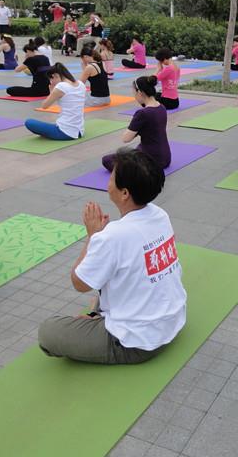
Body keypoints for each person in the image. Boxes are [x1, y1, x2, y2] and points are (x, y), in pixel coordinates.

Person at [38, 149, 186, 365]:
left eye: (112, 177)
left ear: (124, 193)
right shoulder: (159, 214)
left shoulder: (112, 236)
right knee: (107, 286)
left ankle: (98, 319)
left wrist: (92, 236)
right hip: (172, 321)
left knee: (48, 332)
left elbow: (79, 283)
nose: (108, 181)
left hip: (137, 342)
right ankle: (96, 315)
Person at [102, 76, 171, 171]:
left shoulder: (142, 113)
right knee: (135, 151)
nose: (134, 96)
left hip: (152, 161)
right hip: (166, 157)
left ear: (139, 93)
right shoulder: (162, 107)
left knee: (106, 160)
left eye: (134, 93)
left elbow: (126, 139)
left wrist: (137, 130)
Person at [24, 64, 86, 140]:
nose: (51, 82)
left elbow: (44, 106)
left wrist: (51, 91)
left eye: (51, 79)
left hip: (64, 132)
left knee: (29, 122)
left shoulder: (61, 86)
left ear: (55, 75)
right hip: (80, 131)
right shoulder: (81, 84)